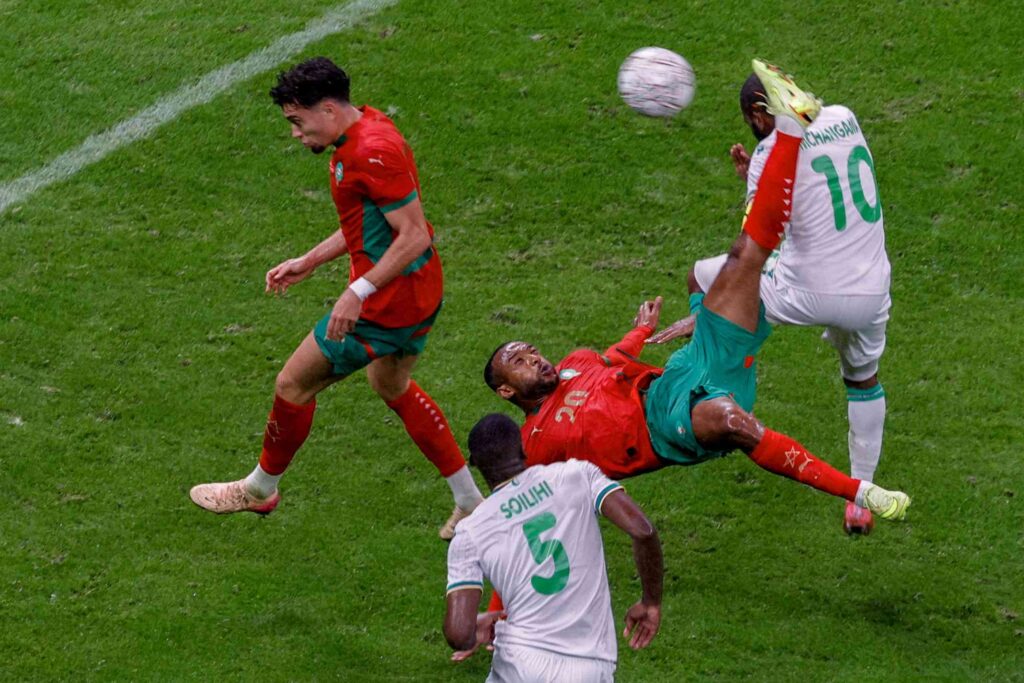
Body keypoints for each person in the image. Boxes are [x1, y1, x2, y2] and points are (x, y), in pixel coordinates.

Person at [484, 60, 910, 526]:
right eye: (521, 361)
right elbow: (521, 501)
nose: (535, 358)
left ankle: (790, 134)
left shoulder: (575, 362)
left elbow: (610, 360)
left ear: (757, 113)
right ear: (506, 390)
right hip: (680, 414)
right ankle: (861, 492)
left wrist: (644, 332)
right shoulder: (536, 443)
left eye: (530, 351)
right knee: (776, 384)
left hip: (710, 355)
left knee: (741, 258)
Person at [189, 57, 482, 538]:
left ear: (327, 109)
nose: (295, 133)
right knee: (391, 385)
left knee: (292, 384)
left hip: (386, 305)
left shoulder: (370, 152)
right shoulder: (368, 129)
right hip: (420, 291)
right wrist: (310, 260)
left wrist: (356, 292)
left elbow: (413, 236)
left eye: (297, 120)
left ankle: (260, 489)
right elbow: (372, 223)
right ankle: (469, 500)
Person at [656, 68, 892, 535]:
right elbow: (818, 187)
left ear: (759, 113)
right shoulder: (844, 116)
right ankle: (860, 499)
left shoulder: (769, 153)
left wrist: (756, 176)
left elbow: (756, 244)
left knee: (703, 275)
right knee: (863, 378)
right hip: (872, 288)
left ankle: (712, 381)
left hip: (807, 290)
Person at [444, 413, 663, 682]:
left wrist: (472, 631)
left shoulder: (470, 531)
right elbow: (643, 530)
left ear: (475, 464)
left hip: (520, 665)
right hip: (589, 668)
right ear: (522, 449)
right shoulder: (577, 475)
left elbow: (458, 633)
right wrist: (650, 601)